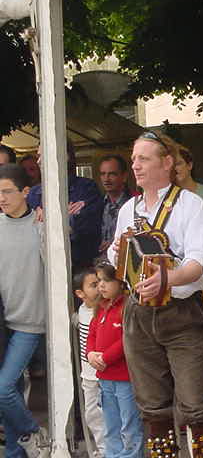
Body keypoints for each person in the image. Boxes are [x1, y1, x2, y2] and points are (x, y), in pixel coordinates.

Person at [108, 131, 203, 457]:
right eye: (134, 160)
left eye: (143, 159)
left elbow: (200, 263)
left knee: (195, 403)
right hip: (138, 312)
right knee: (152, 407)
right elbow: (119, 266)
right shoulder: (128, 208)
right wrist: (117, 254)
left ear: (167, 162)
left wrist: (166, 280)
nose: (135, 166)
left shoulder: (190, 204)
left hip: (181, 310)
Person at [0, 164, 49, 458]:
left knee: (3, 389)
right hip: (3, 322)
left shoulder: (43, 226)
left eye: (7, 191)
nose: (2, 198)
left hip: (30, 321)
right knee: (11, 392)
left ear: (26, 192)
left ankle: (34, 434)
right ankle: (15, 453)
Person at [87, 262, 143, 458]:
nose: (101, 285)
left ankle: (131, 455)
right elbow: (92, 334)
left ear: (121, 282)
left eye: (107, 281)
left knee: (129, 422)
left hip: (124, 377)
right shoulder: (100, 308)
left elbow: (126, 339)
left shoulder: (127, 306)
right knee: (110, 423)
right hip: (105, 377)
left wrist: (105, 357)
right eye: (98, 281)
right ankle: (113, 454)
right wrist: (90, 354)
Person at [28, 141, 104, 269]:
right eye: (38, 156)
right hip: (42, 268)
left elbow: (87, 227)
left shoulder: (87, 188)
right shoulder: (34, 193)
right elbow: (30, 232)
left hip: (79, 267)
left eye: (44, 155)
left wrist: (47, 218)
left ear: (65, 157)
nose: (39, 161)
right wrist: (64, 217)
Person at [73, 268, 106, 458]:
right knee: (92, 415)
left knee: (110, 415)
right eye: (93, 285)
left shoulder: (105, 309)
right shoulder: (82, 311)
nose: (99, 287)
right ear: (80, 293)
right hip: (88, 375)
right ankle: (103, 449)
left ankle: (112, 450)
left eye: (100, 282)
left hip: (104, 373)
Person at [98, 155, 132, 256]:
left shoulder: (134, 205)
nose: (106, 179)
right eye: (103, 174)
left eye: (112, 174)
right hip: (99, 263)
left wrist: (114, 245)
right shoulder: (98, 204)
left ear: (124, 176)